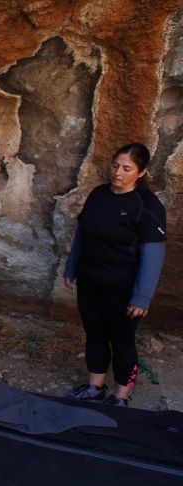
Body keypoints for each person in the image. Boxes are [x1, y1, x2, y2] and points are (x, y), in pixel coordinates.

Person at [64, 143, 167, 407]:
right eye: (115, 165)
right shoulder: (98, 195)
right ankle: (95, 387)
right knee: (94, 334)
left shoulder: (146, 205)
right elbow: (82, 235)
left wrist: (142, 297)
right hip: (90, 282)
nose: (118, 172)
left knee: (121, 341)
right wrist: (71, 268)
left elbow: (153, 254)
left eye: (127, 168)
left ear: (141, 172)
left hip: (122, 289)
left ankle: (121, 396)